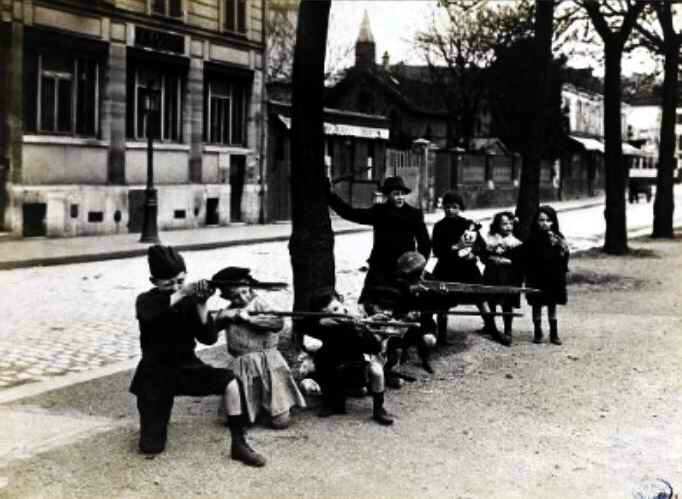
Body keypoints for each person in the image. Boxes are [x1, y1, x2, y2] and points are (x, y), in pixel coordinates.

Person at [129, 245, 265, 467]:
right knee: (150, 447)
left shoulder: (189, 301)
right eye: (168, 283)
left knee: (231, 381)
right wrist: (183, 291)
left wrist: (201, 303)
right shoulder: (146, 300)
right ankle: (156, 420)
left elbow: (208, 338)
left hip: (187, 368)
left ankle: (239, 444)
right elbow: (150, 314)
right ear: (154, 282)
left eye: (180, 280)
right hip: (155, 375)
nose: (175, 286)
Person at [211, 267, 306, 430]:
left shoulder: (260, 303)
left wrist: (249, 319)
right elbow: (211, 332)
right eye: (235, 296)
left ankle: (277, 409)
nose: (243, 297)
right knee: (234, 420)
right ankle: (256, 409)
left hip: (267, 361)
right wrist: (224, 316)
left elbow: (277, 323)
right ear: (226, 296)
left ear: (249, 286)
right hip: (242, 365)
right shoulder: (229, 311)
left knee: (280, 422)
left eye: (245, 291)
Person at [328, 176, 431, 307]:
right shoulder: (379, 212)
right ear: (388, 195)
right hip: (380, 267)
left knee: (406, 305)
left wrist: (418, 265)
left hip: (405, 268)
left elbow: (425, 243)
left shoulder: (414, 214)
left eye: (402, 194)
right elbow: (351, 213)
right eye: (396, 194)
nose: (400, 197)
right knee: (371, 304)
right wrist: (331, 197)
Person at [305, 292, 394, 426]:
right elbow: (303, 326)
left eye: (338, 307)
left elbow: (374, 348)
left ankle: (378, 409)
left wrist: (361, 330)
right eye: (333, 311)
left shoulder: (353, 324)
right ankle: (329, 402)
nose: (341, 311)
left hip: (356, 365)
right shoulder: (321, 327)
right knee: (324, 370)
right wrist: (318, 322)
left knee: (376, 370)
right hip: (332, 368)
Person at [431, 191, 494, 342]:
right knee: (442, 300)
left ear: (460, 207)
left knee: (481, 298)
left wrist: (475, 254)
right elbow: (438, 250)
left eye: (454, 207)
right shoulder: (439, 226)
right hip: (447, 268)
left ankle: (492, 329)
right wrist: (455, 247)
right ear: (443, 207)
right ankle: (442, 336)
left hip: (467, 268)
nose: (451, 210)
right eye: (447, 207)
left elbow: (481, 245)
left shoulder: (468, 224)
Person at [363, 251, 437, 376]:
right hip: (403, 320)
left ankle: (425, 359)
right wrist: (406, 312)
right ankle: (395, 362)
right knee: (395, 339)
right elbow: (396, 306)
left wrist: (429, 296)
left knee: (429, 340)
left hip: (423, 320)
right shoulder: (400, 283)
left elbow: (434, 306)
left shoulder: (430, 280)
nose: (418, 277)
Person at [522, 205, 569, 345]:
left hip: (553, 276)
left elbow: (565, 256)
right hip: (537, 276)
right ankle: (537, 330)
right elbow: (527, 257)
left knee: (552, 303)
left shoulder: (558, 237)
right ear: (536, 222)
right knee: (537, 303)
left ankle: (554, 333)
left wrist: (561, 250)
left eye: (548, 220)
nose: (545, 223)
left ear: (553, 222)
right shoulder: (532, 238)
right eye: (541, 220)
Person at [481, 211, 523, 346]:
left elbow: (520, 259)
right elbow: (483, 256)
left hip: (509, 276)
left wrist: (508, 262)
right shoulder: (491, 240)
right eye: (504, 224)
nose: (508, 226)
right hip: (492, 274)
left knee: (507, 303)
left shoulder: (515, 242)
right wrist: (492, 258)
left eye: (511, 223)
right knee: (491, 301)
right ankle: (490, 326)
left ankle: (508, 329)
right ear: (497, 226)